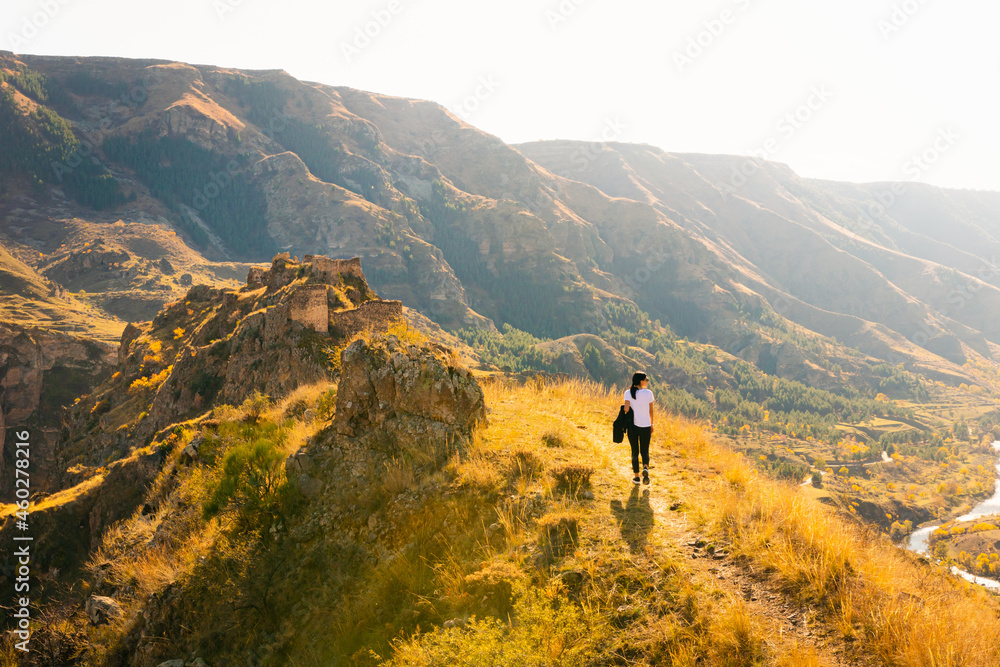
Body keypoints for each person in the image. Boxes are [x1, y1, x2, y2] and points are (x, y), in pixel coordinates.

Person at [624, 372, 654, 485]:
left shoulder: (628, 392)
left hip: (633, 427)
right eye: (646, 379)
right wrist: (652, 424)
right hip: (646, 426)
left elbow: (626, 409)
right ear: (641, 381)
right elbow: (651, 411)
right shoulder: (649, 393)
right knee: (645, 450)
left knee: (634, 451)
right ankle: (645, 468)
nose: (647, 381)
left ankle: (636, 478)